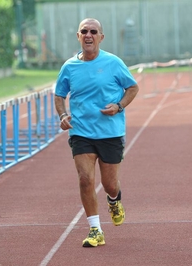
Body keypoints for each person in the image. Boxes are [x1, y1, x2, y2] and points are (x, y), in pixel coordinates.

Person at [54, 18, 139, 247]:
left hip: (110, 132)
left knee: (110, 184)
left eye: (93, 31)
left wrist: (119, 106)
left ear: (101, 37)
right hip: (81, 132)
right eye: (84, 31)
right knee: (85, 180)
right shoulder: (69, 66)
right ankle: (95, 230)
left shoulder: (113, 63)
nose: (88, 35)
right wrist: (63, 115)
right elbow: (59, 94)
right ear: (78, 36)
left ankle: (114, 199)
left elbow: (133, 87)